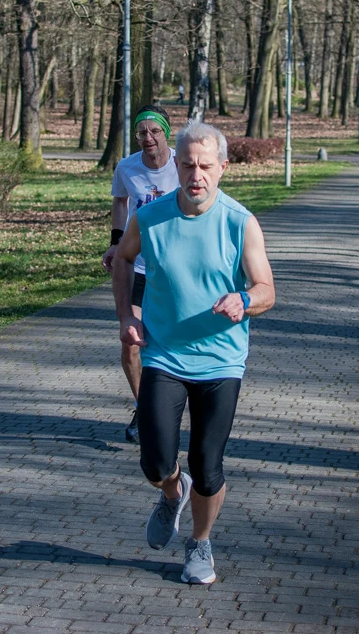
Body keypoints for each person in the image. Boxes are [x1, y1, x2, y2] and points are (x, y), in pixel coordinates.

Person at [112, 122, 275, 585]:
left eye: (206, 166)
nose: (196, 175)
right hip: (164, 354)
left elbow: (267, 289)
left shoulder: (240, 222)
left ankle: (200, 545)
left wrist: (244, 301)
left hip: (222, 361)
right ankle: (169, 493)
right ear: (176, 165)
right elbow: (122, 258)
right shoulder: (151, 217)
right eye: (188, 165)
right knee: (155, 461)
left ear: (222, 168)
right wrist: (127, 315)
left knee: (208, 468)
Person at [102, 105, 180, 444]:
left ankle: (172, 405)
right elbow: (120, 202)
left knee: (171, 342)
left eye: (154, 131)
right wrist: (116, 243)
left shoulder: (183, 165)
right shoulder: (127, 167)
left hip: (175, 269)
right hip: (138, 265)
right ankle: (144, 407)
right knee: (131, 341)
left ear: (166, 133)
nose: (148, 138)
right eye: (141, 132)